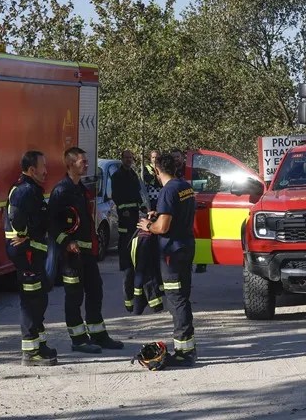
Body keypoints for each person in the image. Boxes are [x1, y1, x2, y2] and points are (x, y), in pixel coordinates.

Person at [49, 147, 124, 353]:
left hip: (88, 254)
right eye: (83, 162)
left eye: (86, 161)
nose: (87, 164)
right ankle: (78, 340)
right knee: (74, 296)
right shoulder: (61, 190)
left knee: (95, 291)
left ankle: (98, 335)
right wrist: (67, 242)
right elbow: (52, 223)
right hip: (71, 257)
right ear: (71, 164)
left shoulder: (80, 189)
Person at [138, 152, 198, 366]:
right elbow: (176, 215)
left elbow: (163, 227)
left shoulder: (168, 190)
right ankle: (188, 348)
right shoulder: (185, 187)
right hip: (185, 247)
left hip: (171, 252)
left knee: (176, 299)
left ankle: (183, 352)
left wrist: (148, 226)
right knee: (184, 296)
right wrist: (160, 215)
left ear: (157, 170)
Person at [6, 151, 57, 366]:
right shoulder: (24, 190)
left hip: (34, 252)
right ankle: (30, 352)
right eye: (43, 166)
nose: (46, 170)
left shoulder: (32, 190)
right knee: (31, 301)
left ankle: (40, 344)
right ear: (32, 169)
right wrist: (23, 234)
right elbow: (16, 216)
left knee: (40, 297)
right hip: (26, 253)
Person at [111, 149, 145, 312]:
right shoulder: (117, 176)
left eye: (131, 158)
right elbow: (117, 196)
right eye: (126, 158)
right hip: (125, 218)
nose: (129, 160)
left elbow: (137, 193)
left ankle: (136, 299)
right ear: (122, 159)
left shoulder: (133, 175)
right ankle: (128, 300)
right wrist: (123, 210)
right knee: (126, 254)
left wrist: (142, 206)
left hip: (134, 217)